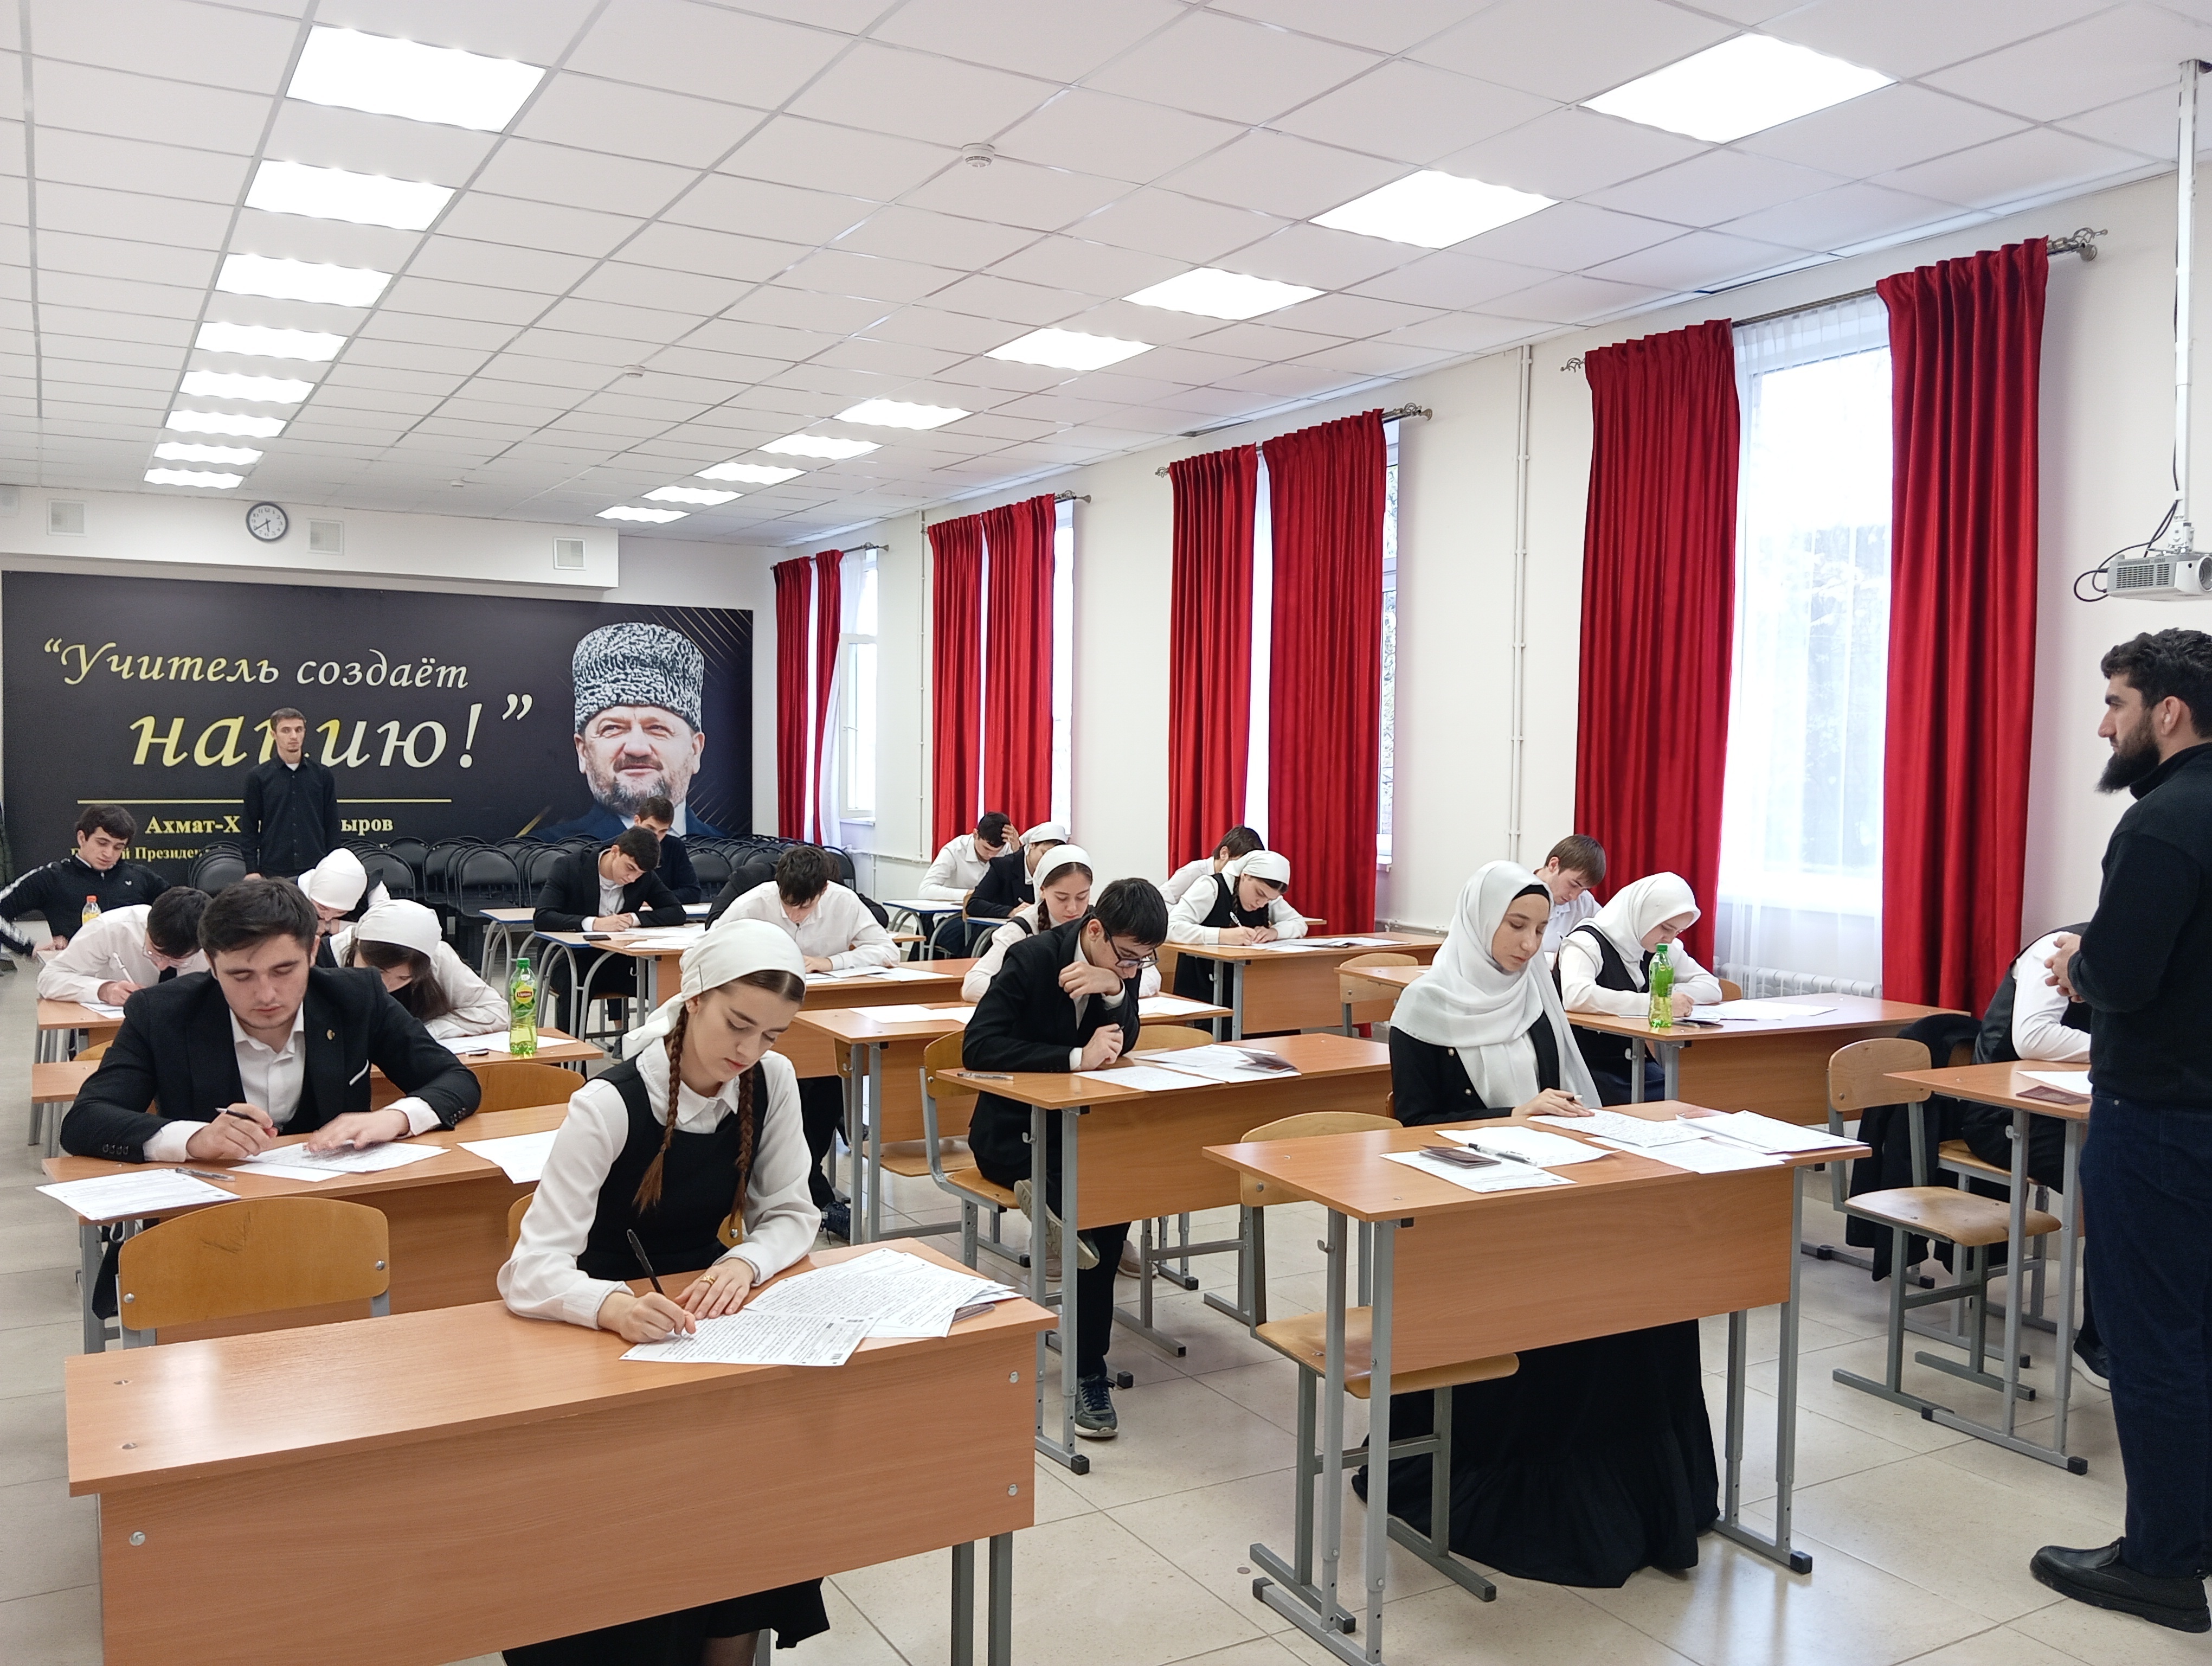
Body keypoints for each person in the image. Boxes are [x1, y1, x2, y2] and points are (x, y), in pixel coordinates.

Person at [1367, 861, 1720, 1588]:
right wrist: (1509, 1119)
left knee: (1651, 1293)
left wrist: (1573, 1125)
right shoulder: (1423, 1007)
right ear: (1480, 922)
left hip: (1541, 1184)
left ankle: (1652, 1489)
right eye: (1516, 927)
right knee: (1574, 1305)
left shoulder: (1534, 994)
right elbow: (1416, 1128)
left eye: (1537, 929)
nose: (1530, 946)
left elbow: (1561, 1094)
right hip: (1463, 1208)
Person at [499, 920, 826, 1663]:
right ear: (694, 997)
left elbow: (793, 1212)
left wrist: (746, 1263)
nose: (749, 1050)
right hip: (599, 1319)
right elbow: (530, 1269)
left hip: (704, 1312)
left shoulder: (770, 1081)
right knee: (643, 1512)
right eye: (737, 1024)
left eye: (772, 1035)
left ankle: (729, 1638)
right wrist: (611, 1306)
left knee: (754, 1483)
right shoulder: (610, 1103)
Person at [2034, 628, 2212, 1634]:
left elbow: (2128, 978)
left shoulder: (2162, 821)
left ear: (2167, 711)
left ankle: (2160, 1562)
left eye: (2115, 703)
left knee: (2151, 1343)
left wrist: (2078, 966)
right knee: (2202, 1335)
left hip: (2160, 1123)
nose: (2105, 726)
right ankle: (2197, 1529)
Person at [59, 877, 480, 1165]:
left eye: (284, 971)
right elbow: (85, 1122)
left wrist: (394, 1118)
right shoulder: (160, 1013)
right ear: (211, 965)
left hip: (334, 1207)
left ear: (313, 953)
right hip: (206, 1216)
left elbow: (456, 1080)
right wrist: (193, 1139)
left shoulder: (356, 997)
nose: (266, 995)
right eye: (241, 976)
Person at [962, 877, 1169, 1440]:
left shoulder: (1121, 966)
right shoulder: (1031, 958)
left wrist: (1115, 990)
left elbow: (1124, 1040)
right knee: (1095, 1211)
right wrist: (1074, 1057)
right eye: (1127, 959)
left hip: (1080, 1137)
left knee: (1109, 1195)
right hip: (1012, 1135)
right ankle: (1088, 1373)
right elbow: (978, 1046)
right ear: (1094, 930)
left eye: (1143, 962)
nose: (1134, 968)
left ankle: (1062, 1219)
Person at [709, 845, 896, 1241]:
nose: (795, 915)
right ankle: (803, 1192)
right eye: (788, 904)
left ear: (823, 891)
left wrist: (830, 963)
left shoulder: (843, 902)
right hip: (764, 1023)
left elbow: (886, 950)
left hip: (824, 1024)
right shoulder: (755, 902)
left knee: (826, 1097)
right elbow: (710, 947)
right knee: (773, 1100)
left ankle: (806, 1186)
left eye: (805, 906)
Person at [1961, 924, 2105, 1381]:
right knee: (2113, 1192)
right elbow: (2034, 1037)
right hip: (2005, 1115)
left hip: (2076, 1109)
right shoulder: (2057, 947)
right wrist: (2125, 1050)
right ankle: (2099, 1341)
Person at [538, 621, 728, 841]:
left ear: (695, 751)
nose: (637, 749)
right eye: (612, 728)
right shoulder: (540, 855)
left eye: (657, 728)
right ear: (583, 752)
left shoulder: (741, 854)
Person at [1556, 873, 1722, 1104]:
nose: (1670, 939)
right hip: (1585, 1066)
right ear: (1645, 913)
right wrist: (1657, 1004)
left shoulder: (1657, 946)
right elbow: (1577, 996)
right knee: (1672, 1098)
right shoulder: (1586, 942)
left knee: (1694, 1091)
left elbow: (1711, 986)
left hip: (1636, 1063)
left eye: (1677, 932)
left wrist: (1671, 998)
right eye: (1666, 927)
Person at [961, 847, 1161, 1002]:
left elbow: (1152, 978)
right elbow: (973, 985)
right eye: (1062, 898)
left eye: (1082, 897)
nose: (1073, 908)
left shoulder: (1099, 924)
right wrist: (1048, 995)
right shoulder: (1023, 927)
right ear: (1042, 891)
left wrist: (1110, 983)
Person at [532, 828, 686, 1029]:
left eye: (639, 874)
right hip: (568, 957)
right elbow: (543, 917)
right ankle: (571, 1050)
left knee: (666, 982)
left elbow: (676, 912)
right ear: (615, 851)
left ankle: (662, 1045)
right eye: (630, 868)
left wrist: (633, 919)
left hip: (617, 959)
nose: (632, 878)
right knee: (575, 983)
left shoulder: (643, 877)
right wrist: (593, 924)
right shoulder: (569, 867)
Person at [0, 804, 169, 957]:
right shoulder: (52, 877)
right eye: (102, 843)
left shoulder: (141, 877)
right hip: (76, 974)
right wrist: (29, 947)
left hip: (136, 974)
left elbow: (180, 912)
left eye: (118, 847)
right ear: (82, 838)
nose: (109, 853)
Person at [333, 898, 509, 1040]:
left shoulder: (438, 959)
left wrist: (428, 1031)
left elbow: (496, 1011)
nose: (385, 987)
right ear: (358, 946)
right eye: (378, 972)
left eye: (404, 978)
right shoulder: (328, 957)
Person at [1166, 848, 1306, 1000]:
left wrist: (1275, 932)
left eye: (1269, 900)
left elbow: (1299, 923)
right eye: (1259, 894)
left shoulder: (1268, 897)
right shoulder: (1211, 886)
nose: (1262, 903)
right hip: (1200, 986)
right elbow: (1172, 927)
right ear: (1245, 876)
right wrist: (1222, 935)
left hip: (1247, 987)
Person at [37, 887, 208, 1006]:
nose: (162, 966)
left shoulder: (212, 942)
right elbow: (49, 978)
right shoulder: (112, 928)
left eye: (177, 961)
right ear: (147, 927)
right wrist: (104, 990)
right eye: (154, 952)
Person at [241, 707, 340, 880]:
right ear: (274, 734)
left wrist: (333, 864)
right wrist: (252, 869)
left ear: (304, 732)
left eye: (299, 730)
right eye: (286, 731)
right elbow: (249, 827)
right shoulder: (258, 777)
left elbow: (332, 824)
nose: (294, 736)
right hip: (274, 869)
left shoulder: (322, 775)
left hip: (316, 867)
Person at [300, 847, 389, 968]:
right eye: (322, 908)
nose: (328, 917)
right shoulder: (292, 892)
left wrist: (333, 926)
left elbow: (383, 932)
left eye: (340, 912)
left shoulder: (373, 890)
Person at [965, 819, 1070, 919]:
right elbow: (974, 905)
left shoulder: (1057, 871)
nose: (1046, 860)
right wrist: (1011, 912)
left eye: (1053, 857)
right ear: (1032, 845)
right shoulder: (1004, 866)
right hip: (1000, 928)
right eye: (1043, 853)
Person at [1535, 834, 1606, 959]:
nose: (1574, 897)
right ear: (1554, 865)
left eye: (1583, 890)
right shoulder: (1514, 894)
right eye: (1573, 885)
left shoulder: (1585, 903)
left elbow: (1611, 932)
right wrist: (1557, 960)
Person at [919, 812, 1013, 902]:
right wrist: (971, 894)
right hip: (956, 911)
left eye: (997, 851)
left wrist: (1017, 849)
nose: (991, 855)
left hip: (993, 910)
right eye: (986, 849)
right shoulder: (955, 850)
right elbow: (925, 891)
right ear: (975, 835)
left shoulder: (1008, 849)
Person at [1161, 825, 1265, 906]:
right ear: (1224, 853)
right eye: (1240, 865)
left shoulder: (1240, 883)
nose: (1241, 873)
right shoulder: (1192, 872)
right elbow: (1161, 903)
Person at [633, 793, 702, 904]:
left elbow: (693, 892)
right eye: (650, 828)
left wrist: (656, 900)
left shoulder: (675, 847)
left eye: (663, 831)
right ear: (637, 821)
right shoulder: (615, 845)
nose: (656, 836)